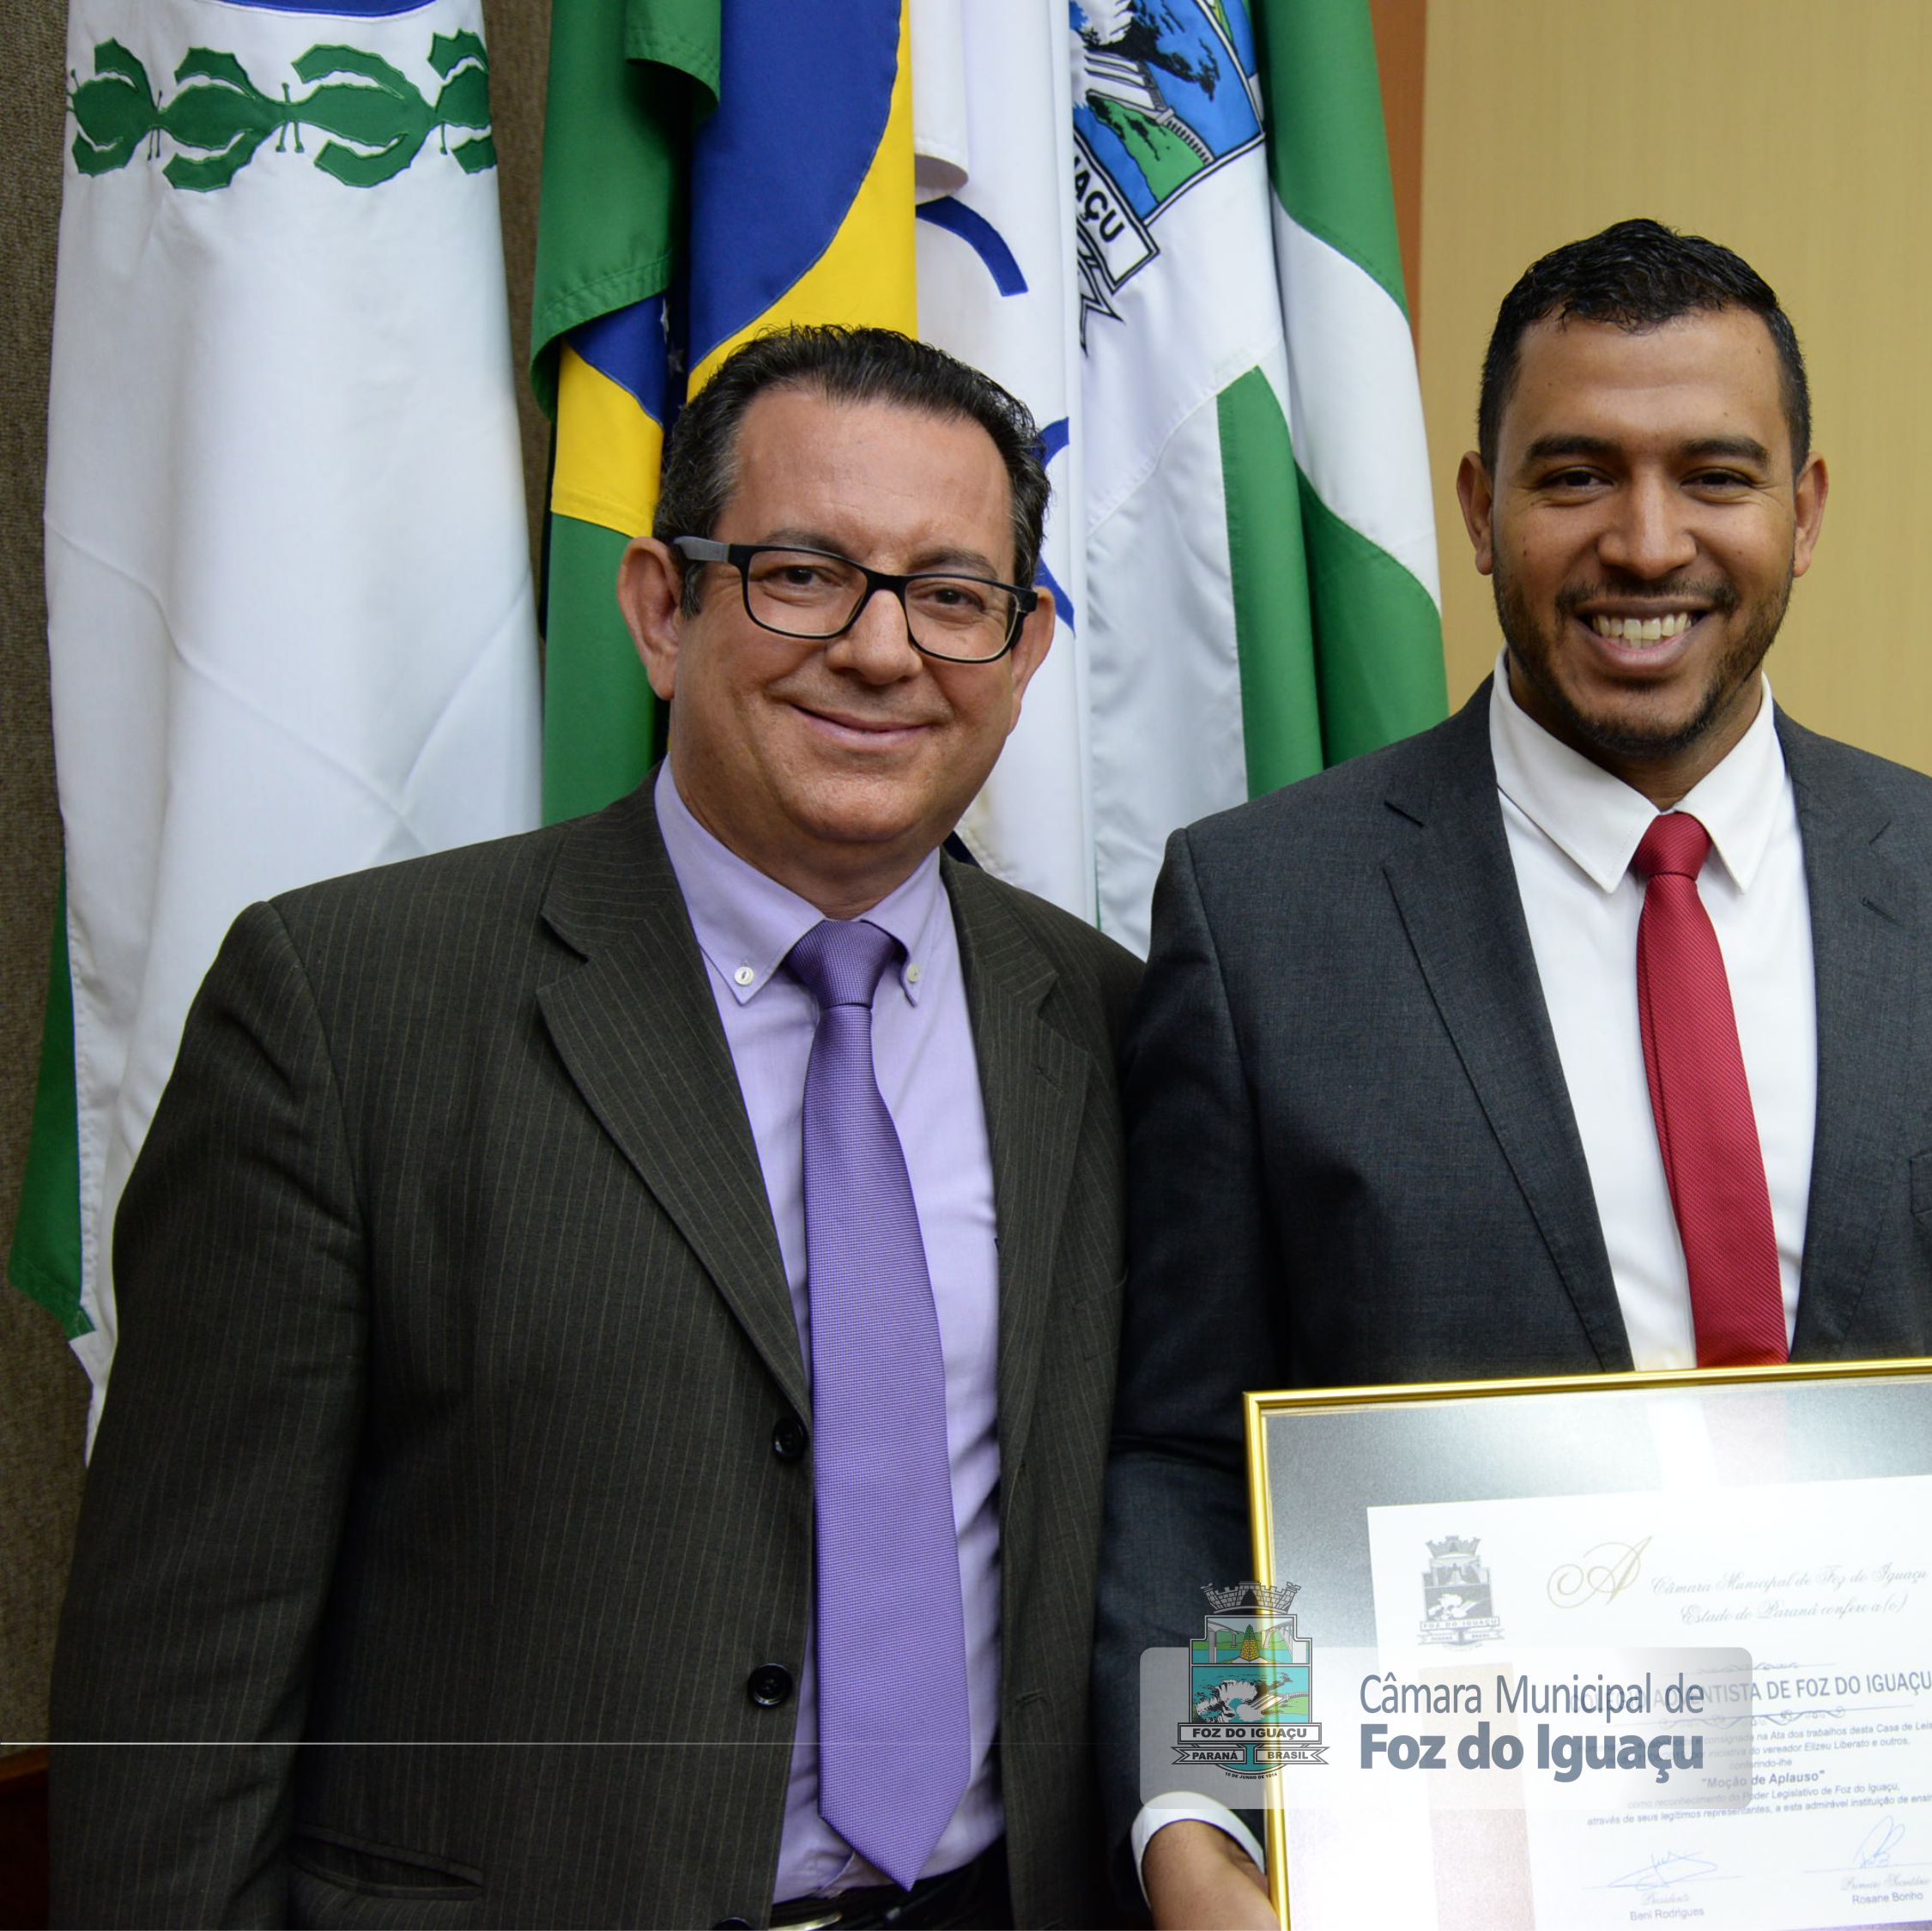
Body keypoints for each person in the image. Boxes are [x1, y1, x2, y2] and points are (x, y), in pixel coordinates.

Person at [1099, 218, 1932, 1928]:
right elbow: (1205, 1459)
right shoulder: (1268, 911)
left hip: (1906, 1855)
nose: (1644, 544)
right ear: (1476, 506)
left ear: (1804, 509)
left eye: (1712, 474)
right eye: (1574, 476)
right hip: (1460, 1860)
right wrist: (1204, 1825)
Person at [51, 327, 1137, 1929]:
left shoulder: (1114, 1024)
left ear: (1024, 650)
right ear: (658, 605)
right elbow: (181, 1683)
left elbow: (1187, 1512)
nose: (881, 648)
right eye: (800, 572)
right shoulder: (345, 1008)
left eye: (950, 594)